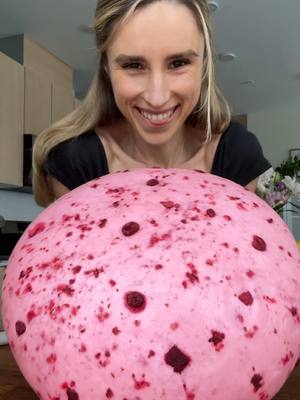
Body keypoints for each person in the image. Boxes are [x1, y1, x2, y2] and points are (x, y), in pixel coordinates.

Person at [32, 0, 271, 207]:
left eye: (178, 63)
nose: (157, 98)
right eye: (133, 65)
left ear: (204, 64)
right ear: (106, 67)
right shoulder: (76, 163)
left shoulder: (237, 156)